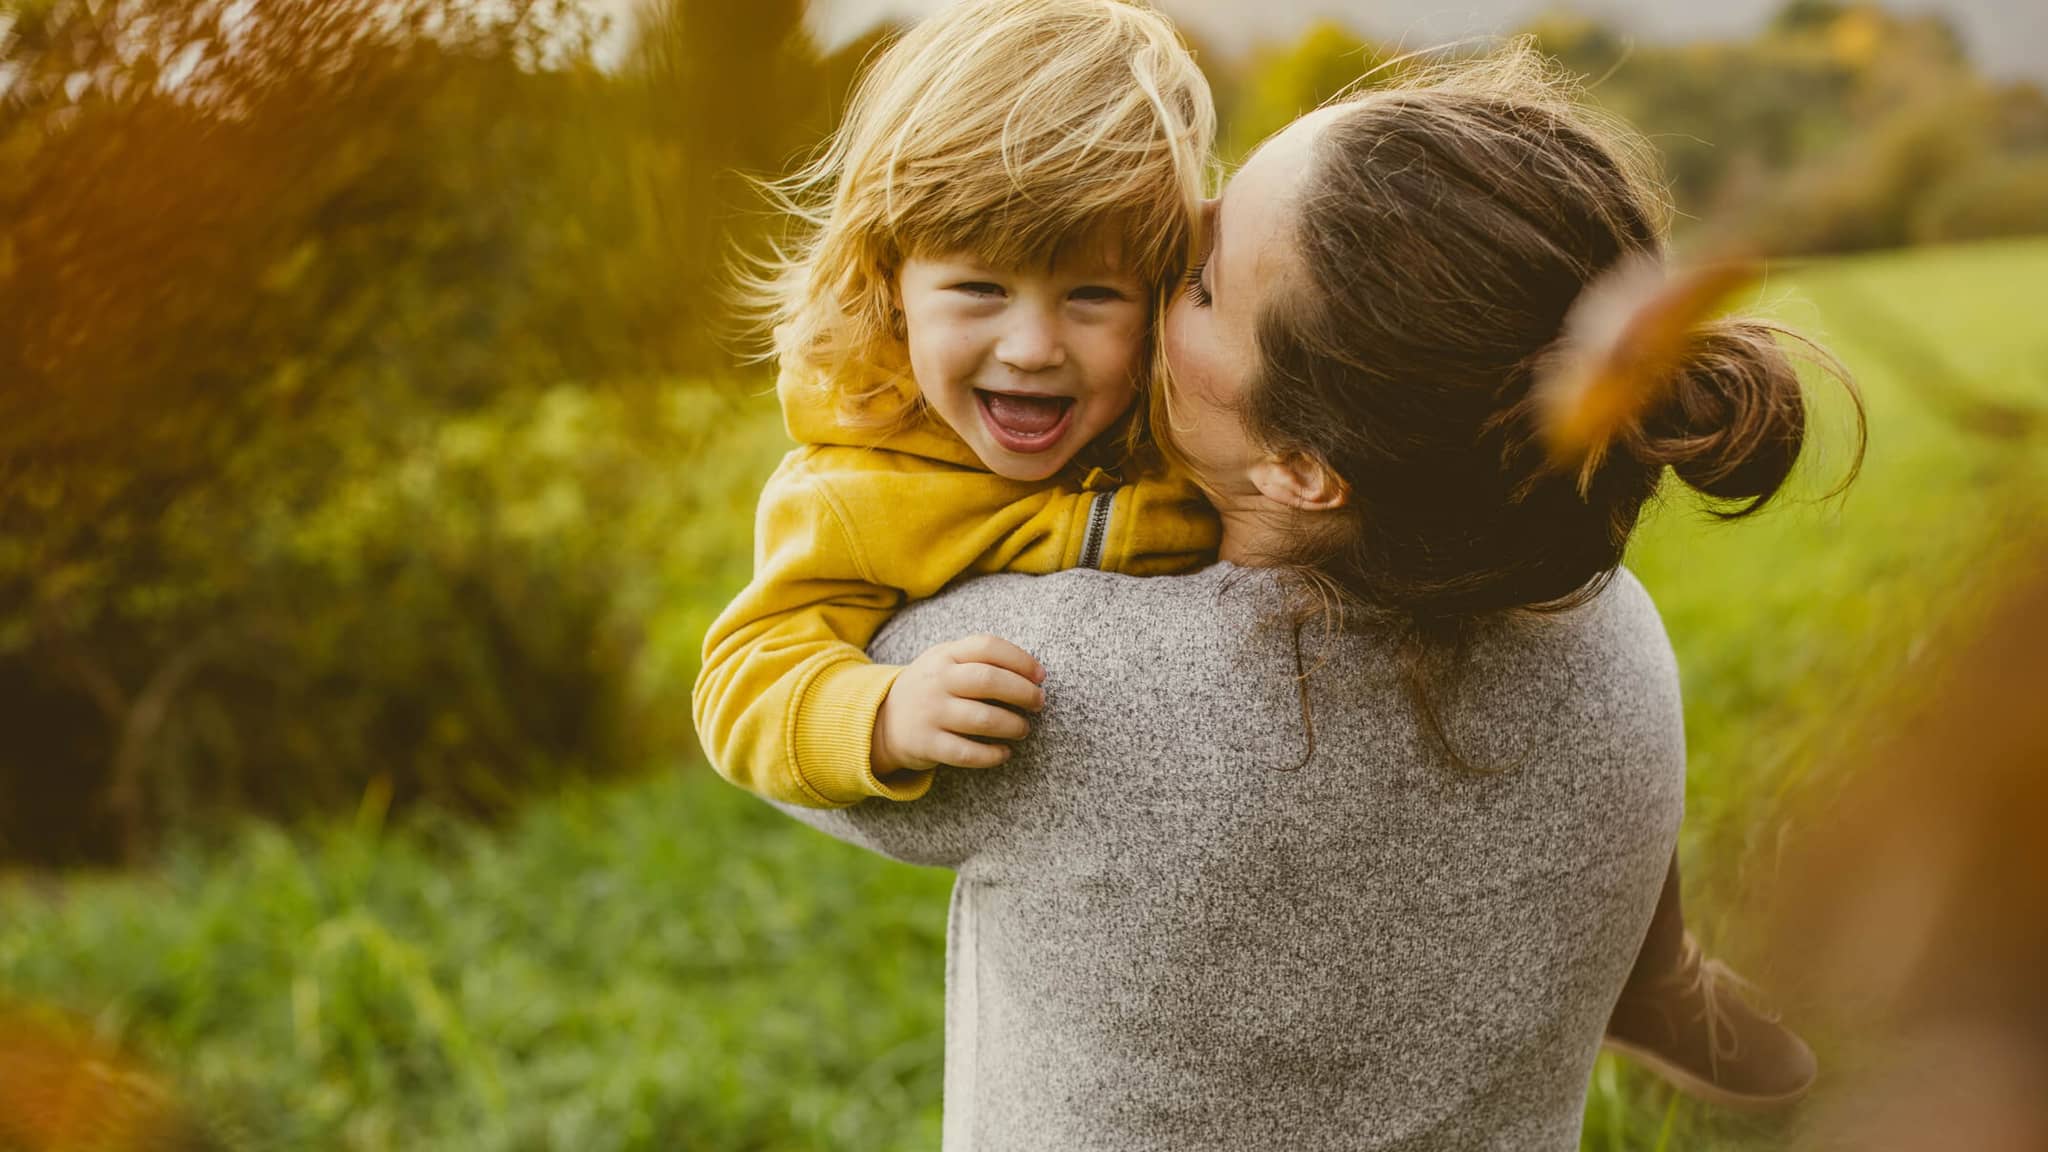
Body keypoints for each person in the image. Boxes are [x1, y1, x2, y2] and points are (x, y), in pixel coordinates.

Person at [766, 44, 1865, 1149]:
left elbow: (787, 718)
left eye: (1194, 284)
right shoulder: (1609, 629)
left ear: (1300, 464)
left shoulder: (1052, 681)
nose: (1164, 252)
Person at [692, 0, 1220, 812]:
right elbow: (742, 681)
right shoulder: (857, 489)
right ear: (889, 283)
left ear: (1157, 297)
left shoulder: (1191, 417)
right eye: (981, 289)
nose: (1033, 347)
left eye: (1091, 295)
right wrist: (882, 716)